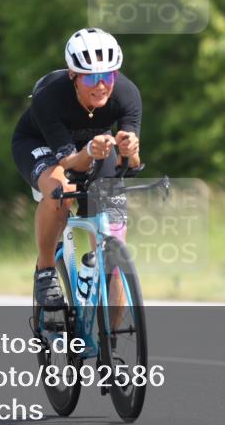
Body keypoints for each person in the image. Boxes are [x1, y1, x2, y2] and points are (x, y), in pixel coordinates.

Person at [11, 28, 142, 310]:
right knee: (62, 190)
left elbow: (130, 163)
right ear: (73, 76)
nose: (101, 85)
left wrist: (129, 149)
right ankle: (46, 270)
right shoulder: (49, 96)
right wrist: (90, 152)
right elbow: (70, 163)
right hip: (41, 144)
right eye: (91, 77)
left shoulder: (126, 93)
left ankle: (111, 346)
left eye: (107, 76)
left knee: (115, 248)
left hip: (95, 145)